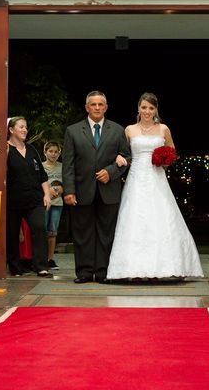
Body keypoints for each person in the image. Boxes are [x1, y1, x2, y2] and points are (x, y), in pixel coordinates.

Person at [106, 93, 204, 280]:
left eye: (151, 108)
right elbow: (123, 153)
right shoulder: (129, 130)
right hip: (136, 178)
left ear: (156, 110)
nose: (147, 111)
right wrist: (118, 157)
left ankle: (158, 269)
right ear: (138, 109)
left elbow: (172, 151)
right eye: (144, 107)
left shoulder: (163, 129)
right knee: (135, 219)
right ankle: (132, 270)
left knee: (159, 218)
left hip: (157, 178)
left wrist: (165, 159)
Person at [62, 91, 131, 284]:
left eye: (101, 104)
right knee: (82, 234)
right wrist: (68, 190)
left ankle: (103, 272)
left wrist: (111, 172)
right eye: (93, 104)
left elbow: (127, 158)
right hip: (81, 191)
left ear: (106, 107)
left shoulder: (117, 130)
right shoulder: (73, 131)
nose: (97, 108)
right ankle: (84, 272)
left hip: (109, 192)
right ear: (87, 107)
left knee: (106, 234)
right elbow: (68, 164)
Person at [6, 116, 53, 277]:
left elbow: (42, 175)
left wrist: (46, 194)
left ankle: (41, 266)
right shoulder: (5, 149)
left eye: (26, 127)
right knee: (12, 234)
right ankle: (15, 267)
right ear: (11, 130)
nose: (25, 130)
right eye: (21, 127)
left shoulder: (31, 150)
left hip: (35, 199)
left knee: (39, 229)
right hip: (14, 200)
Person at [42, 141, 63, 270]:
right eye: (50, 151)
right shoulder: (41, 166)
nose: (53, 154)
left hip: (57, 203)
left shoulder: (62, 167)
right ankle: (40, 258)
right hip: (44, 203)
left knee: (52, 232)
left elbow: (67, 181)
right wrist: (46, 191)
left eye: (56, 152)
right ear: (45, 152)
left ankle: (50, 259)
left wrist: (61, 189)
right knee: (42, 231)